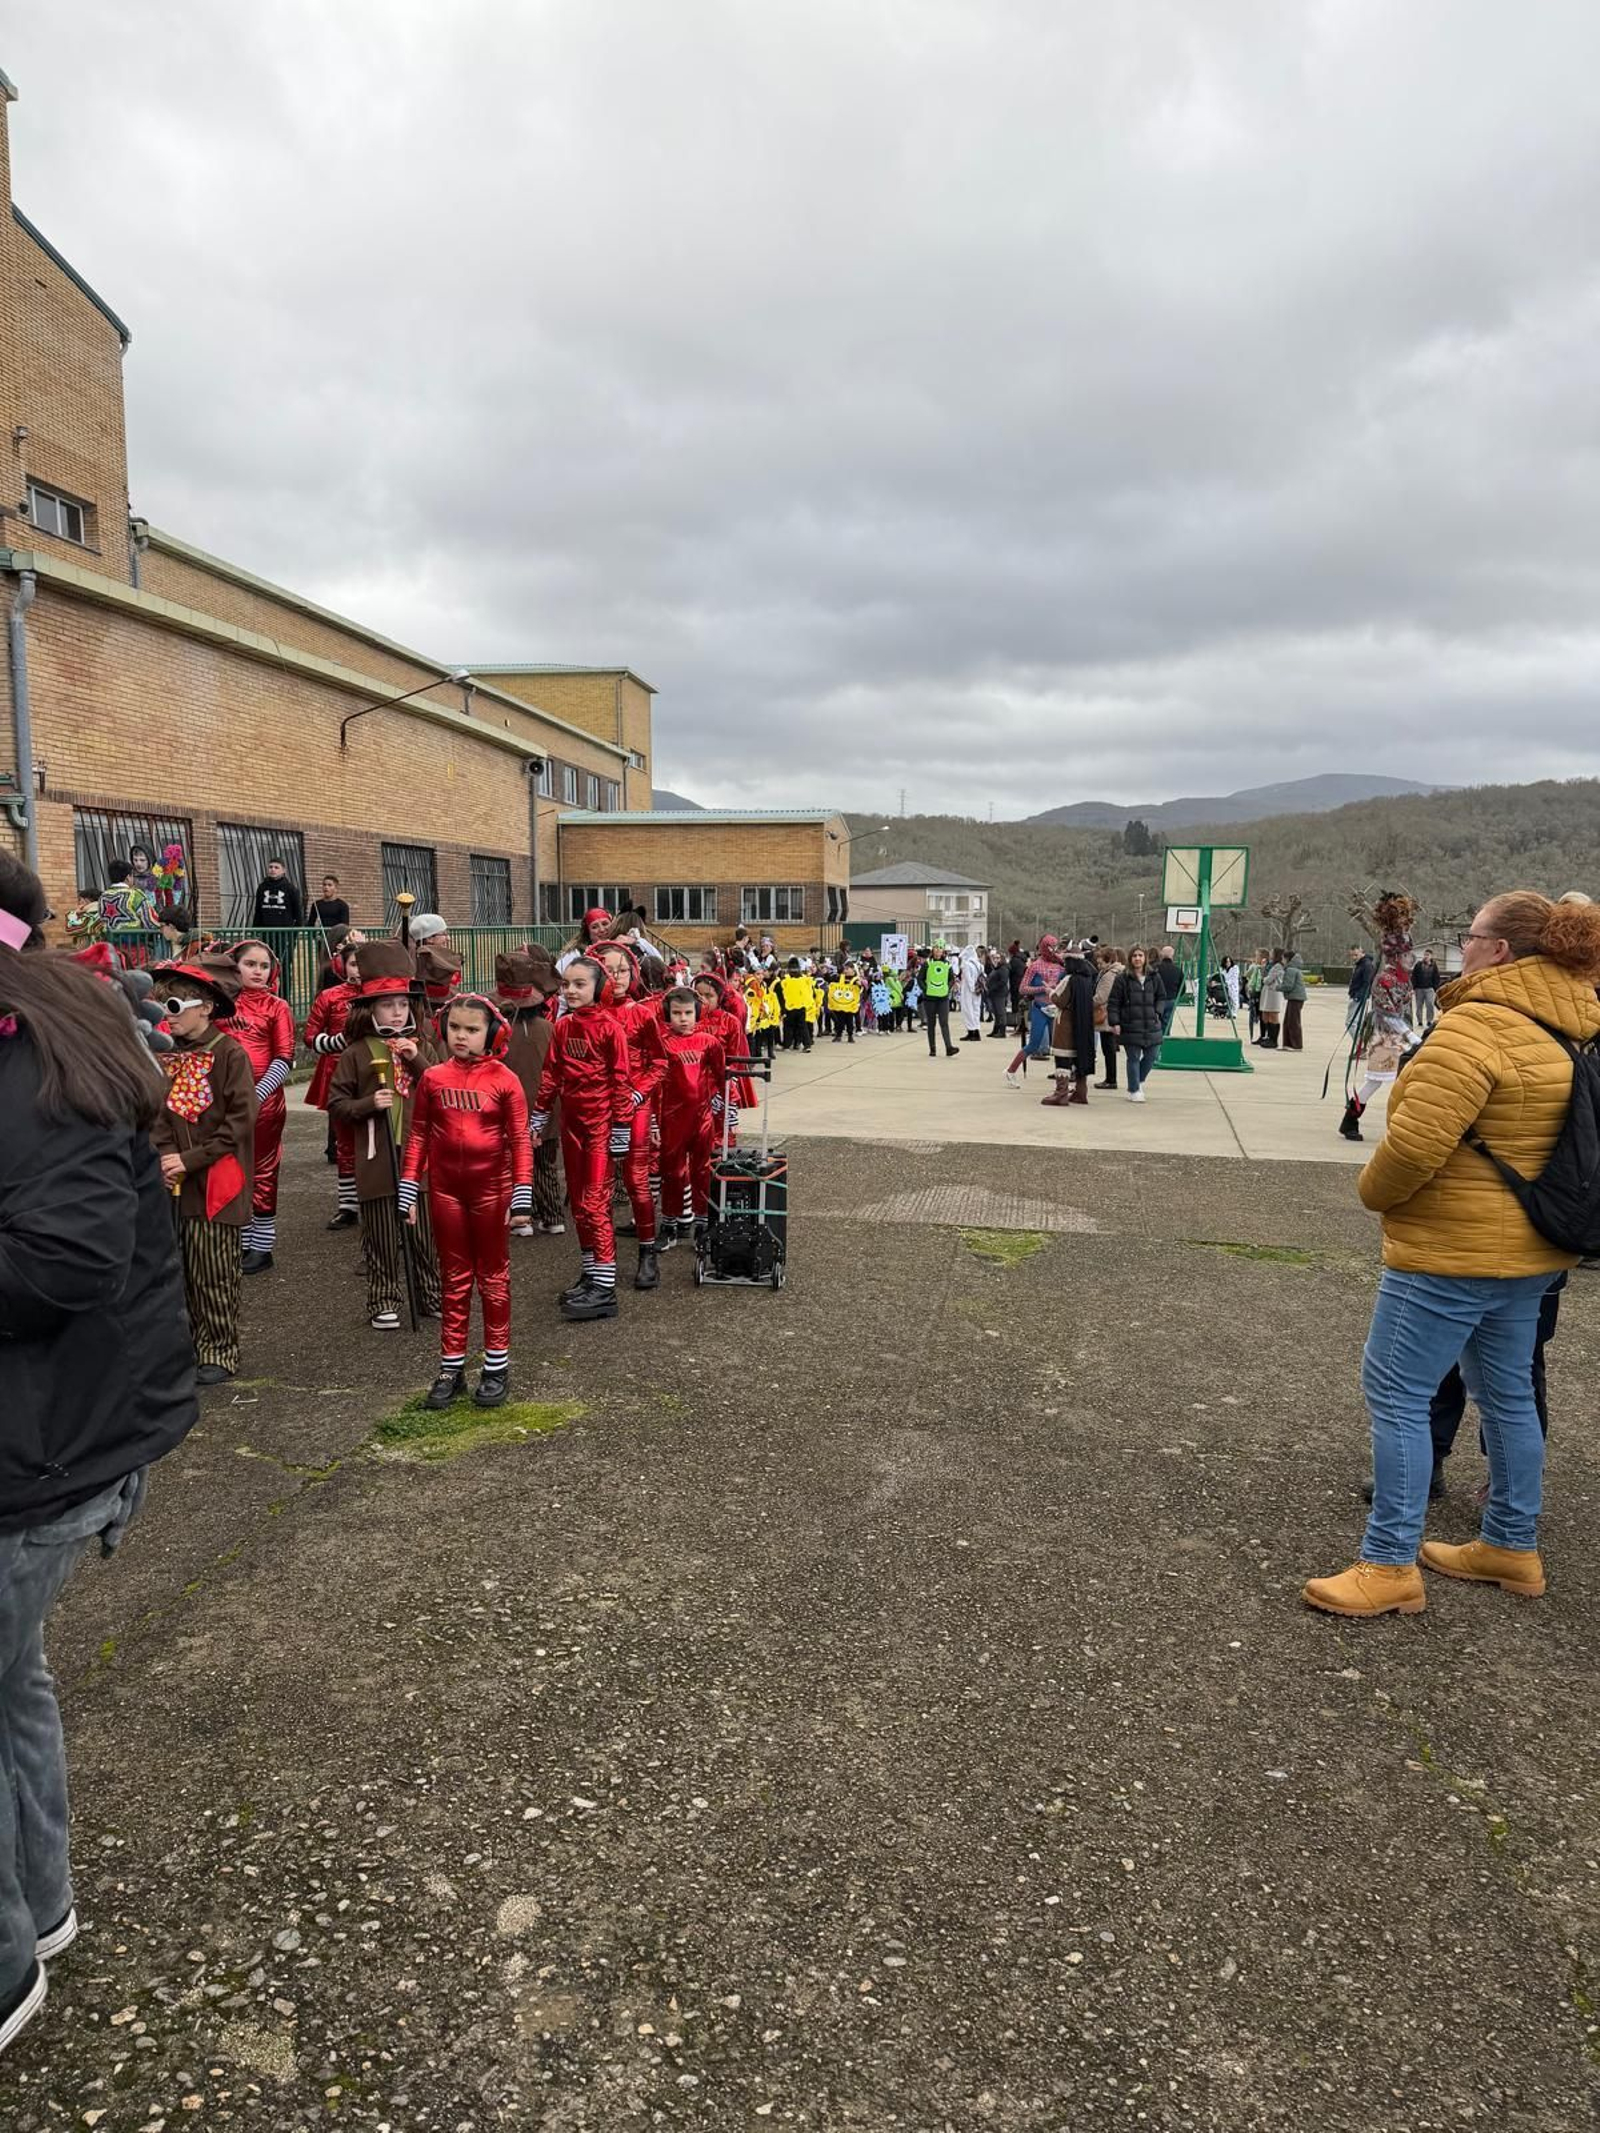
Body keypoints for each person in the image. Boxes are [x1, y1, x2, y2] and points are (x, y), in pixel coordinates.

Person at [0, 853, 198, 2061]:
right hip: (51, 1437)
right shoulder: (59, 1039)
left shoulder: (44, 1064)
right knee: (12, 1679)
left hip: (41, 1449)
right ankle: (45, 1901)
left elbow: (66, 1261)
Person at [1303, 891, 1600, 1619]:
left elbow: (1411, 1148)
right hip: (1532, 1250)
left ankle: (1389, 1560)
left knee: (1397, 1392)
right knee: (1507, 1394)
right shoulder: (1569, 1025)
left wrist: (1372, 1190)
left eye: (1470, 935)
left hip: (1450, 1249)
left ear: (1498, 949)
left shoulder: (1476, 1028)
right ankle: (1509, 1542)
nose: (1461, 946)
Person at [399, 993, 532, 1407]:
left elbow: (521, 1141)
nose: (461, 1036)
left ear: (491, 1033)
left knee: (493, 1279)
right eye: (455, 1027)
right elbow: (419, 1133)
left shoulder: (505, 1080)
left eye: (472, 1029)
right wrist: (408, 1184)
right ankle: (451, 1368)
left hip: (492, 1192)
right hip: (445, 1192)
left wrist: (522, 1193)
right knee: (453, 1280)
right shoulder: (434, 1078)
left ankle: (495, 1367)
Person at [148, 956, 256, 1385]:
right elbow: (157, 1113)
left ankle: (219, 1348)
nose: (167, 1018)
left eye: (173, 1006)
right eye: (161, 1008)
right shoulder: (166, 1058)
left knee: (213, 1270)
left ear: (205, 1007)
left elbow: (240, 1122)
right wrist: (166, 1155)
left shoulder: (230, 1055)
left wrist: (191, 1159)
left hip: (217, 1182)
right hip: (174, 1179)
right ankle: (187, 1346)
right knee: (180, 1271)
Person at [327, 941, 443, 1329]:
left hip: (419, 1154)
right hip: (377, 1155)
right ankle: (384, 1299)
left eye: (403, 1004)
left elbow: (443, 1092)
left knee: (423, 1232)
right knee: (379, 1232)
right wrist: (366, 1105)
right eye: (387, 1004)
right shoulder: (356, 1052)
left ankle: (429, 1294)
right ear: (370, 1009)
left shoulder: (423, 1045)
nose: (397, 1011)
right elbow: (337, 1103)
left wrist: (417, 1058)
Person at [529, 957, 633, 1322]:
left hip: (600, 1127)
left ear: (598, 988)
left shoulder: (611, 1029)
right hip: (573, 1126)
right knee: (578, 1206)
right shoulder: (562, 1026)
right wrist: (539, 1115)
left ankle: (605, 1288)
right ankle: (592, 1275)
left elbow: (622, 1081)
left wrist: (621, 1127)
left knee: (594, 1203)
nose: (570, 991)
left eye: (579, 984)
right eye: (566, 985)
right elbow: (551, 1074)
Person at [597, 942, 668, 1289]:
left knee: (638, 1181)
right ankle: (598, 1260)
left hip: (635, 1105)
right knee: (598, 1187)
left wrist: (639, 1094)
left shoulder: (642, 1014)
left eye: (623, 970)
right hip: (598, 1109)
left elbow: (659, 1062)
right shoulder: (587, 1016)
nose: (617, 977)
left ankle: (647, 1252)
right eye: (609, 970)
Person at [226, 940, 296, 1273]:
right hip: (223, 1104)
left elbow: (284, 1057)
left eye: (264, 965)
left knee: (263, 1169)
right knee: (231, 1168)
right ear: (234, 966)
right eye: (250, 964)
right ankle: (241, 1243)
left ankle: (262, 1247)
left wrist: (255, 1096)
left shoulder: (277, 1006)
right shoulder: (220, 1003)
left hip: (264, 1105)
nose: (257, 971)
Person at [494, 948, 565, 1239]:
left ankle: (522, 1218)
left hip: (511, 1107)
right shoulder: (551, 1028)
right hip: (546, 1106)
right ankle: (552, 1215)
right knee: (545, 1161)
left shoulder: (496, 1032)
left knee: (513, 1163)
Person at [657, 986, 728, 1244]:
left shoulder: (710, 1042)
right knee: (672, 1172)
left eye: (688, 1012)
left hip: (702, 1118)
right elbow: (654, 1084)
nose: (683, 1018)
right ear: (668, 1014)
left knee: (702, 1170)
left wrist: (723, 1106)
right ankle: (669, 1224)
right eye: (677, 1013)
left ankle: (702, 1221)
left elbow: (722, 1077)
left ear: (697, 1013)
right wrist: (654, 1121)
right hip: (671, 1120)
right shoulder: (662, 1043)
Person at [304, 940, 363, 1227]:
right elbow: (310, 1038)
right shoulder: (328, 997)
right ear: (342, 965)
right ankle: (348, 1205)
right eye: (353, 963)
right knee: (344, 1142)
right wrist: (339, 1041)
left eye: (364, 963)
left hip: (374, 1077)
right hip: (339, 1075)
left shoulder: (382, 995)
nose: (359, 970)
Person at [1041, 943, 1096, 1108]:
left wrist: (1050, 991)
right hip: (1083, 1023)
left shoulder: (1069, 979)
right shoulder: (1087, 980)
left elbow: (1060, 1000)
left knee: (1062, 1059)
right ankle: (1080, 1092)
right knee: (1080, 1057)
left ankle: (1061, 1094)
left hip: (1065, 1024)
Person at [1105, 945, 1163, 1100]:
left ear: (1145, 958)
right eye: (1134, 956)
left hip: (1152, 1025)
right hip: (1130, 1024)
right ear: (1130, 959)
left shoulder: (1154, 977)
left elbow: (1161, 997)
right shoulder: (1122, 978)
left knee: (1152, 1056)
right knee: (1133, 1058)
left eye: (1140, 955)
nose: (1137, 958)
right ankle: (1134, 1090)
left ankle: (1138, 1080)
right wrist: (1115, 1022)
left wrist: (1158, 1011)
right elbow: (1113, 1002)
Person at [1018, 936, 1065, 1062]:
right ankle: (1011, 1071)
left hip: (1057, 1008)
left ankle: (1062, 1074)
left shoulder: (1062, 965)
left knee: (1060, 1046)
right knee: (1033, 1044)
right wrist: (1042, 989)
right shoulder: (1035, 966)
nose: (1053, 951)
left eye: (1056, 947)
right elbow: (1022, 988)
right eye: (1051, 947)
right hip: (1040, 1008)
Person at [96, 862, 159, 936]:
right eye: (132, 876)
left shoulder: (103, 897)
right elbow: (150, 922)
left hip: (110, 944)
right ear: (128, 877)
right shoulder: (136, 895)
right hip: (135, 945)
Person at [1093, 946, 1124, 1089]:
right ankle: (1110, 1078)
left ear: (1109, 960)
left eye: (1101, 963)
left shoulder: (1109, 975)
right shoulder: (1116, 972)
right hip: (1111, 1014)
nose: (1099, 966)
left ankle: (1111, 1079)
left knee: (1108, 1049)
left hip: (1106, 1015)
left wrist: (1087, 1002)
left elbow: (1101, 997)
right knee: (1109, 1048)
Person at [921, 942, 959, 1058]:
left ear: (943, 951)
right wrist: (926, 989)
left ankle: (949, 1048)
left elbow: (951, 979)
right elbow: (920, 978)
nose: (938, 951)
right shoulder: (927, 964)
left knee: (944, 1023)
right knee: (931, 1024)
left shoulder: (947, 964)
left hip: (943, 998)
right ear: (933, 950)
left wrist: (947, 988)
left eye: (940, 948)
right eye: (936, 948)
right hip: (929, 999)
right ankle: (932, 1049)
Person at [250, 858, 303, 932]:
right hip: (266, 932)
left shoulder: (291, 889)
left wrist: (294, 936)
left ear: (284, 870)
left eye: (276, 867)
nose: (273, 870)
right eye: (270, 867)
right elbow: (258, 911)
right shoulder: (262, 887)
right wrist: (255, 930)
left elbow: (298, 914)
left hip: (285, 932)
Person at [776, 958, 814, 1052]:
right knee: (803, 1026)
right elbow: (809, 992)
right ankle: (806, 1044)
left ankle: (787, 1045)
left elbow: (781, 994)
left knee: (788, 1027)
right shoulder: (804, 979)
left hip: (789, 1006)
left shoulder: (785, 980)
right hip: (801, 1006)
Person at [1280, 947, 1307, 1050]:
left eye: (1283, 959)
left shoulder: (1291, 970)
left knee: (1293, 1022)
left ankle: (1296, 1045)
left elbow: (1288, 985)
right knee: (1288, 1021)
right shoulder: (1292, 969)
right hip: (1293, 998)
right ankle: (1288, 1044)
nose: (1282, 961)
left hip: (1296, 998)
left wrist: (1277, 987)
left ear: (1287, 959)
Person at [828, 963, 862, 1044]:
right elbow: (830, 980)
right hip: (840, 1004)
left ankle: (850, 1036)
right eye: (845, 969)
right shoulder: (840, 977)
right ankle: (838, 1035)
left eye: (847, 969)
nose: (845, 971)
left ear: (853, 969)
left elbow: (861, 988)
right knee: (840, 1020)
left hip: (850, 1004)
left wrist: (859, 984)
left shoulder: (855, 979)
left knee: (849, 1020)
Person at [1155, 945, 1184, 1037]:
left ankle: (1157, 1041)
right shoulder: (1178, 970)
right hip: (1171, 999)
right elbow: (1182, 987)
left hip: (1157, 1000)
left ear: (1161, 955)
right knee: (1167, 1024)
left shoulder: (1155, 969)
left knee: (1156, 1022)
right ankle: (1165, 1040)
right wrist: (1176, 996)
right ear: (1172, 956)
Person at [958, 944, 984, 1043]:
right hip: (978, 991)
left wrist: (972, 989)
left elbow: (968, 979)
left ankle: (971, 1031)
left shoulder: (967, 965)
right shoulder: (979, 964)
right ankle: (976, 1031)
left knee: (968, 1010)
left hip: (969, 991)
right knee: (976, 1011)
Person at [1257, 952, 1285, 1047]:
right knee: (1268, 1014)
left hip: (1273, 993)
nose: (1271, 955)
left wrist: (1264, 979)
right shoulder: (1273, 965)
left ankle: (1274, 1040)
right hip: (1269, 993)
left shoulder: (1278, 966)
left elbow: (1269, 979)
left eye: (1273, 953)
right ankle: (1269, 1037)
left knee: (1273, 1015)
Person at [1410, 945, 1440, 1030]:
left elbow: (1436, 977)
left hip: (1429, 988)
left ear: (1431, 956)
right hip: (1419, 988)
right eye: (1425, 954)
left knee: (1430, 1004)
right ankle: (1419, 1020)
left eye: (1428, 955)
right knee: (1419, 1005)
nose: (1426, 956)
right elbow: (1414, 976)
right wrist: (1413, 987)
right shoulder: (1418, 965)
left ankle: (1429, 1020)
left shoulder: (1434, 966)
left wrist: (1435, 988)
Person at [1347, 943, 1375, 1033]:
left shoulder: (1366, 965)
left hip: (1359, 998)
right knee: (1356, 1023)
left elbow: (1367, 983)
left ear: (1361, 952)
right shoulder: (1360, 965)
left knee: (1351, 1023)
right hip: (1355, 996)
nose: (1354, 957)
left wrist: (1358, 996)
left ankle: (1360, 1043)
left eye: (1356, 955)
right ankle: (1360, 1044)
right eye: (1352, 955)